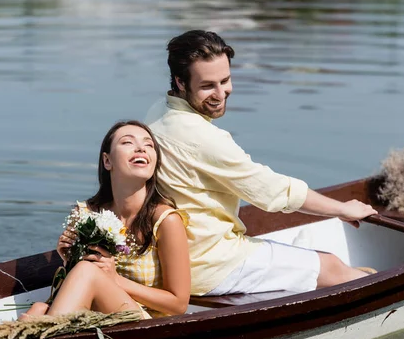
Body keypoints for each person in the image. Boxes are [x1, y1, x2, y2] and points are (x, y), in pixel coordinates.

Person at [144, 30, 378, 297]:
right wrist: (342, 209)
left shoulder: (158, 111)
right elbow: (272, 191)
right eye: (208, 85)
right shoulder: (205, 138)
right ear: (180, 82)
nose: (221, 93)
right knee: (333, 267)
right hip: (210, 265)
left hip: (171, 261)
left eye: (226, 80)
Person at [22, 120, 190, 320]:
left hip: (142, 323)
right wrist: (69, 259)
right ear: (107, 161)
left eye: (149, 145)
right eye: (128, 142)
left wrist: (115, 279)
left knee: (86, 272)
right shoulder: (86, 214)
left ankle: (41, 337)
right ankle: (44, 334)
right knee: (39, 308)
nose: (141, 148)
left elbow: (178, 304)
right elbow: (78, 288)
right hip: (95, 315)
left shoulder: (165, 221)